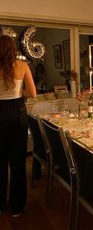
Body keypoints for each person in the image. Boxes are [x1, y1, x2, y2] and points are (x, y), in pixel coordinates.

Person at [0, 35, 36, 217]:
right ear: (13, 49)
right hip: (17, 113)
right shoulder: (22, 66)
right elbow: (32, 92)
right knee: (18, 162)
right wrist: (17, 92)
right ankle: (17, 207)